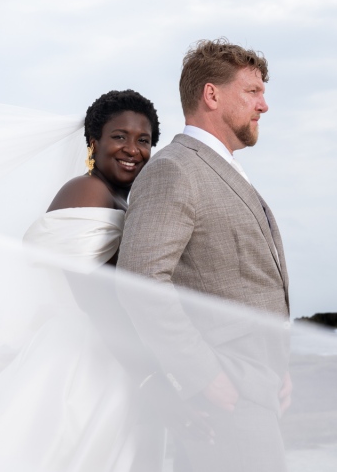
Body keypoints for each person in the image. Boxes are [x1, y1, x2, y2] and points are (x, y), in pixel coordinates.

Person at [0, 89, 165, 472]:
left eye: (144, 140)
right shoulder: (87, 191)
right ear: (94, 143)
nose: (132, 149)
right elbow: (93, 298)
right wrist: (148, 374)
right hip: (84, 361)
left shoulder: (119, 200)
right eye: (119, 137)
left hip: (111, 355)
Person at [117, 39, 292, 472]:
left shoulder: (224, 169)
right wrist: (202, 376)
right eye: (252, 91)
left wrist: (277, 368)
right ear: (211, 95)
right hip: (226, 394)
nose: (264, 105)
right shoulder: (174, 169)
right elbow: (140, 278)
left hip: (257, 387)